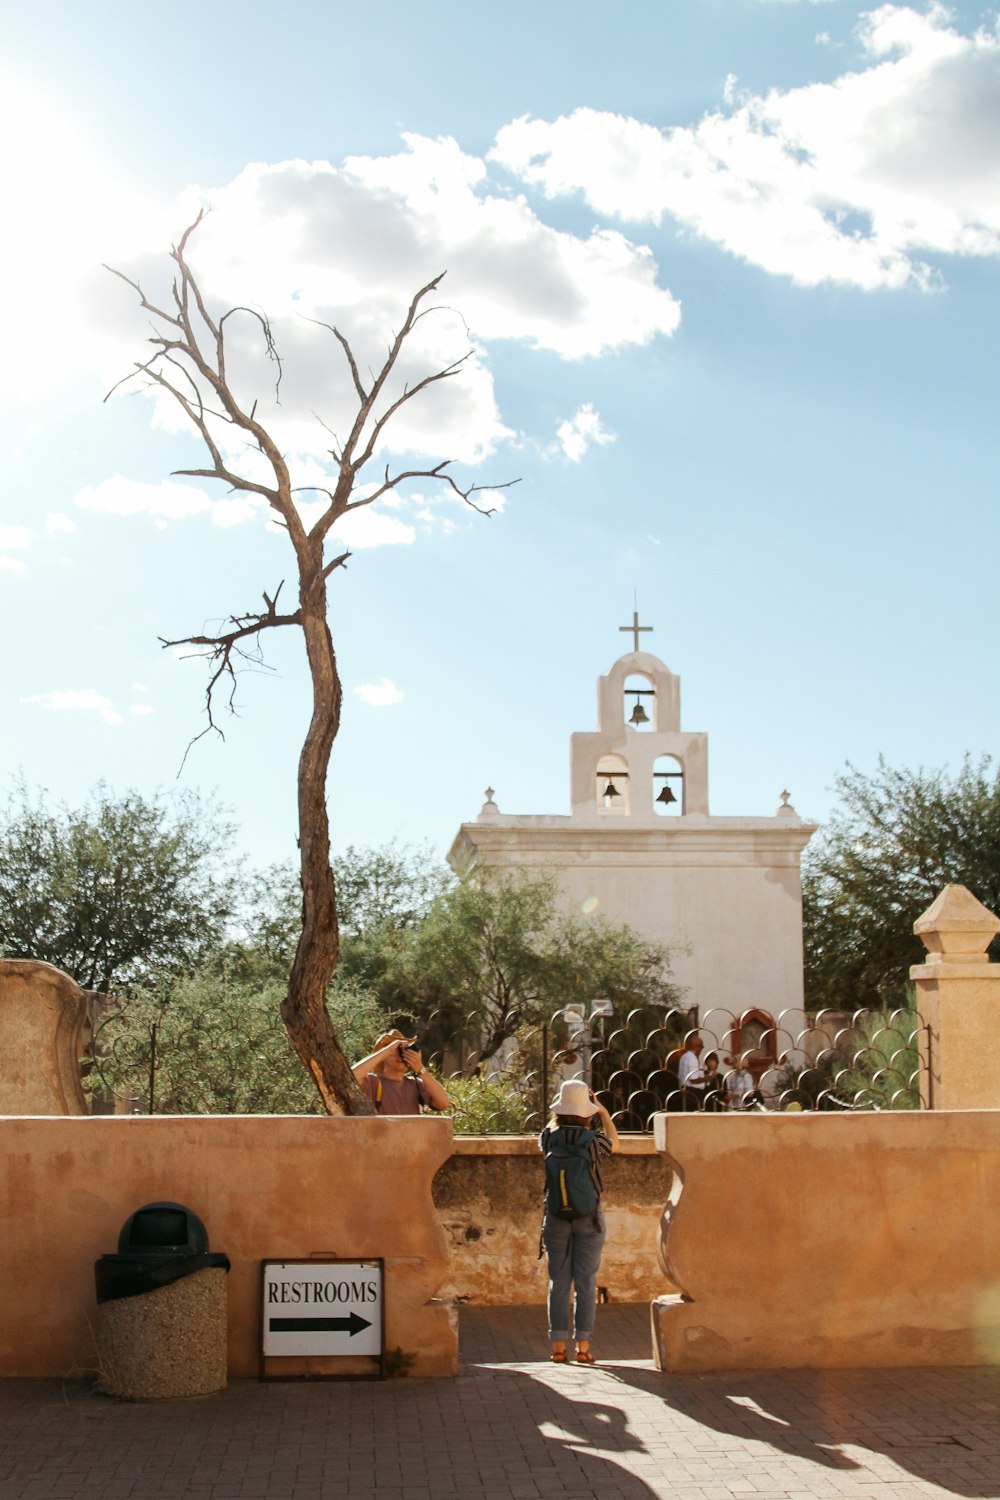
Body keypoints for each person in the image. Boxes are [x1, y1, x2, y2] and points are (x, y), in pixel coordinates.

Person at [539, 1079, 619, 1365]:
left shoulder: (548, 1137)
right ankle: (583, 1349)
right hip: (589, 1216)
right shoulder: (593, 1140)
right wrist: (604, 1114)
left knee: (558, 1283)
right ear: (587, 1108)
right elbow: (615, 1144)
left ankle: (558, 1348)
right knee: (586, 1282)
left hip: (556, 1215)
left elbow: (546, 1138)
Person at [352, 1029, 451, 1115]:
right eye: (397, 1050)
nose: (400, 1055)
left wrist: (420, 1069)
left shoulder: (415, 1084)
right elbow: (351, 1076)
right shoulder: (373, 1082)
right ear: (383, 1056)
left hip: (409, 1136)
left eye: (405, 1050)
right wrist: (388, 1050)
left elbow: (443, 1103)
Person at [676, 1036, 707, 1109]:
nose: (701, 1049)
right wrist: (708, 1078)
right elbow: (693, 1080)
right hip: (693, 1092)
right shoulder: (692, 1058)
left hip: (685, 1091)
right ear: (697, 1046)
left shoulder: (684, 1056)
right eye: (701, 1047)